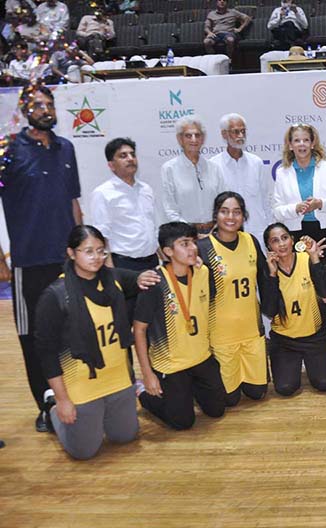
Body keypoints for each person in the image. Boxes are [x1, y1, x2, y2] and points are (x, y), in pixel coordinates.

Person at [0, 85, 82, 432]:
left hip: (66, 261)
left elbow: (74, 204)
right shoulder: (7, 149)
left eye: (50, 104)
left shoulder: (66, 147)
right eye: (38, 104)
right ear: (23, 110)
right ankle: (46, 404)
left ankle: (76, 396)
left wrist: (85, 249)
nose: (46, 109)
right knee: (33, 337)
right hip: (28, 263)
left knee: (70, 332)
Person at [34, 226, 141, 459]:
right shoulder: (55, 295)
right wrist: (63, 400)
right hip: (81, 385)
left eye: (101, 251)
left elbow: (141, 278)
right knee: (85, 451)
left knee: (125, 436)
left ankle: (99, 414)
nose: (96, 258)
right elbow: (47, 353)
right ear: (72, 253)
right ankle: (51, 406)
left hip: (117, 378)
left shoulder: (114, 279)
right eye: (88, 251)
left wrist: (146, 276)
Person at [133, 222, 226, 430]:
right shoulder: (155, 282)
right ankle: (142, 393)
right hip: (171, 365)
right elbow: (139, 330)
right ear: (168, 251)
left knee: (217, 409)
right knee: (182, 422)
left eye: (193, 242)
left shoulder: (204, 273)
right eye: (184, 244)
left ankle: (187, 390)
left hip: (202, 357)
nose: (193, 248)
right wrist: (148, 375)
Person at [197, 192, 269, 407]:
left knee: (257, 393)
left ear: (243, 216)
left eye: (237, 212)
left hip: (250, 332)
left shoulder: (250, 241)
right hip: (222, 336)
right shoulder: (203, 248)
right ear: (216, 215)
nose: (231, 217)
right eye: (225, 211)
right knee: (230, 399)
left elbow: (265, 279)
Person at [263, 223, 326, 396]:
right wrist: (272, 276)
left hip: (314, 337)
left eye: (284, 238)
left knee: (325, 384)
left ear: (292, 239)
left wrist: (315, 258)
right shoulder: (268, 270)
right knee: (285, 388)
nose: (281, 244)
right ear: (269, 247)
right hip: (285, 341)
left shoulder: (307, 259)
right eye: (275, 241)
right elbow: (270, 311)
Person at [272, 123, 326, 266]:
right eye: (297, 140)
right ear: (290, 145)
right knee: (302, 277)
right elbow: (277, 211)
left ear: (312, 143)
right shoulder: (282, 173)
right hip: (296, 232)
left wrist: (320, 204)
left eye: (306, 140)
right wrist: (295, 208)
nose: (302, 144)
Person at [90, 138, 158, 272]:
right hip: (124, 264)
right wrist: (111, 271)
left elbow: (154, 227)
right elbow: (101, 235)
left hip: (152, 261)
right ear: (111, 165)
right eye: (123, 156)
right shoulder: (103, 193)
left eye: (133, 154)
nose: (130, 158)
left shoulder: (146, 189)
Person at [210, 113, 273, 241]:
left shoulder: (256, 163)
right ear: (224, 134)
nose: (240, 136)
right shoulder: (213, 166)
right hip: (228, 234)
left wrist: (270, 229)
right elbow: (212, 205)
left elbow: (266, 200)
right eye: (236, 132)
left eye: (243, 131)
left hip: (257, 231)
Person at [161, 117, 226, 235]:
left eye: (197, 135)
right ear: (179, 139)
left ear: (203, 139)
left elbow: (223, 203)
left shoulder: (214, 168)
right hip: (185, 235)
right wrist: (190, 233)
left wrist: (216, 229)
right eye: (188, 136)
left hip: (215, 233)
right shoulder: (169, 169)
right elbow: (169, 209)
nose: (194, 139)